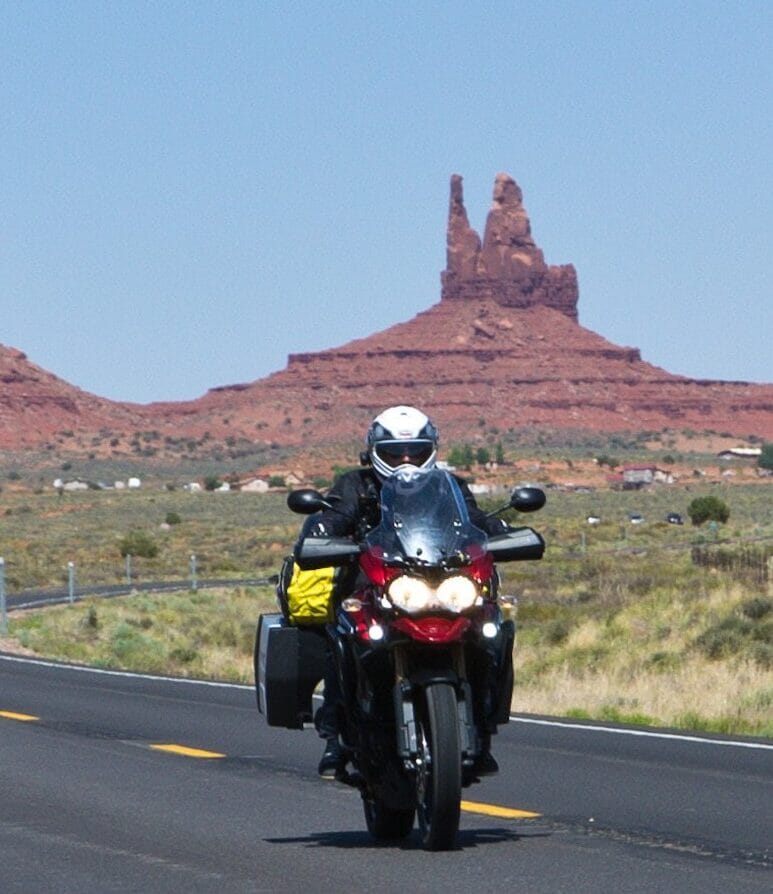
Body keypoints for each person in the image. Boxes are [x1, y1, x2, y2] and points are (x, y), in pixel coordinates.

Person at [295, 405, 509, 778]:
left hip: (441, 584)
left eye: (415, 452)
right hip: (374, 588)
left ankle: (483, 726)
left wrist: (504, 531)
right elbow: (331, 519)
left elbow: (474, 521)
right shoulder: (355, 485)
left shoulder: (451, 487)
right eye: (394, 453)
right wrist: (321, 533)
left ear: (432, 450)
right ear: (375, 452)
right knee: (342, 636)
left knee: (490, 629)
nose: (405, 460)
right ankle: (336, 736)